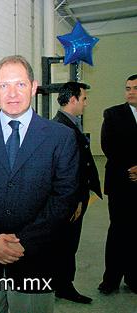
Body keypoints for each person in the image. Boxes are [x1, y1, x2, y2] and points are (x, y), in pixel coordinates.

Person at [0, 55, 79, 313]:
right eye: (4, 85)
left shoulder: (61, 137)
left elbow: (64, 197)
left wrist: (24, 242)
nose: (12, 93)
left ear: (33, 87)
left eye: (20, 85)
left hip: (37, 261)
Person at [52, 81, 102, 303]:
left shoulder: (69, 123)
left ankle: (60, 283)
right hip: (70, 200)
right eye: (83, 98)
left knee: (66, 243)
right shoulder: (62, 128)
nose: (85, 102)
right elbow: (66, 172)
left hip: (74, 197)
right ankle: (63, 286)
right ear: (72, 99)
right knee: (66, 243)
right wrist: (75, 202)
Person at [98, 74, 137, 295]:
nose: (130, 92)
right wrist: (130, 170)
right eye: (127, 88)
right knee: (119, 231)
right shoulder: (113, 114)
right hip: (121, 183)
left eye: (135, 88)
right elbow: (108, 146)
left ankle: (133, 277)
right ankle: (110, 279)